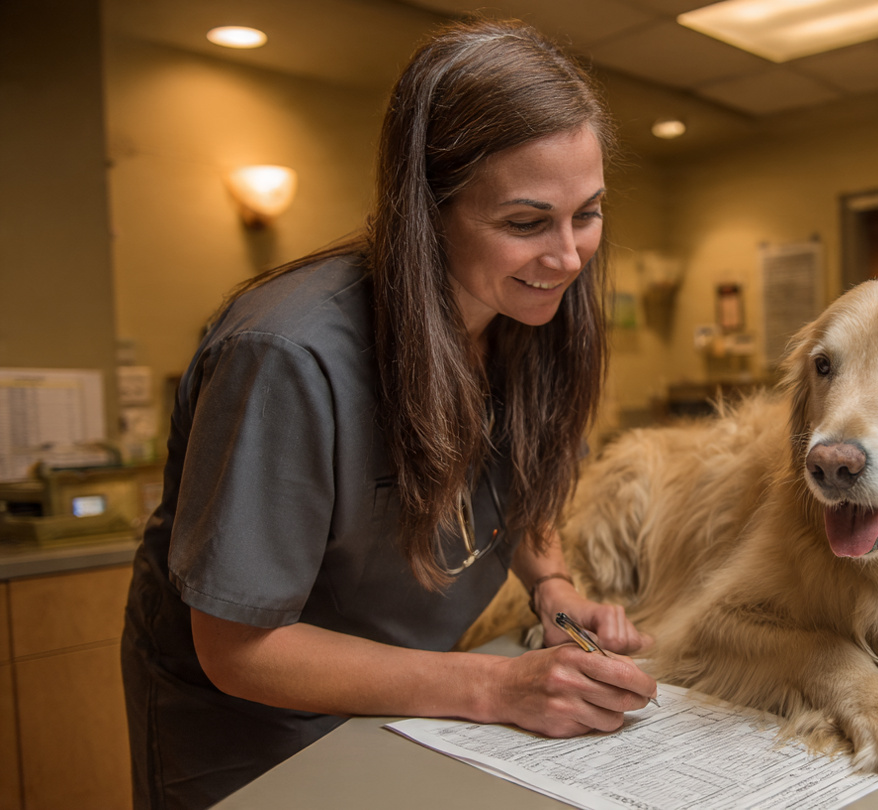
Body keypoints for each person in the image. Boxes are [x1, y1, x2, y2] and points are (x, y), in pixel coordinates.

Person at [120, 18, 657, 810]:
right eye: (526, 222)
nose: (570, 257)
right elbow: (238, 647)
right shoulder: (287, 356)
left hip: (416, 701)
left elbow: (514, 483)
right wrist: (494, 688)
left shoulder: (526, 315)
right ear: (426, 209)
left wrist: (553, 585)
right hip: (251, 729)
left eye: (588, 213)